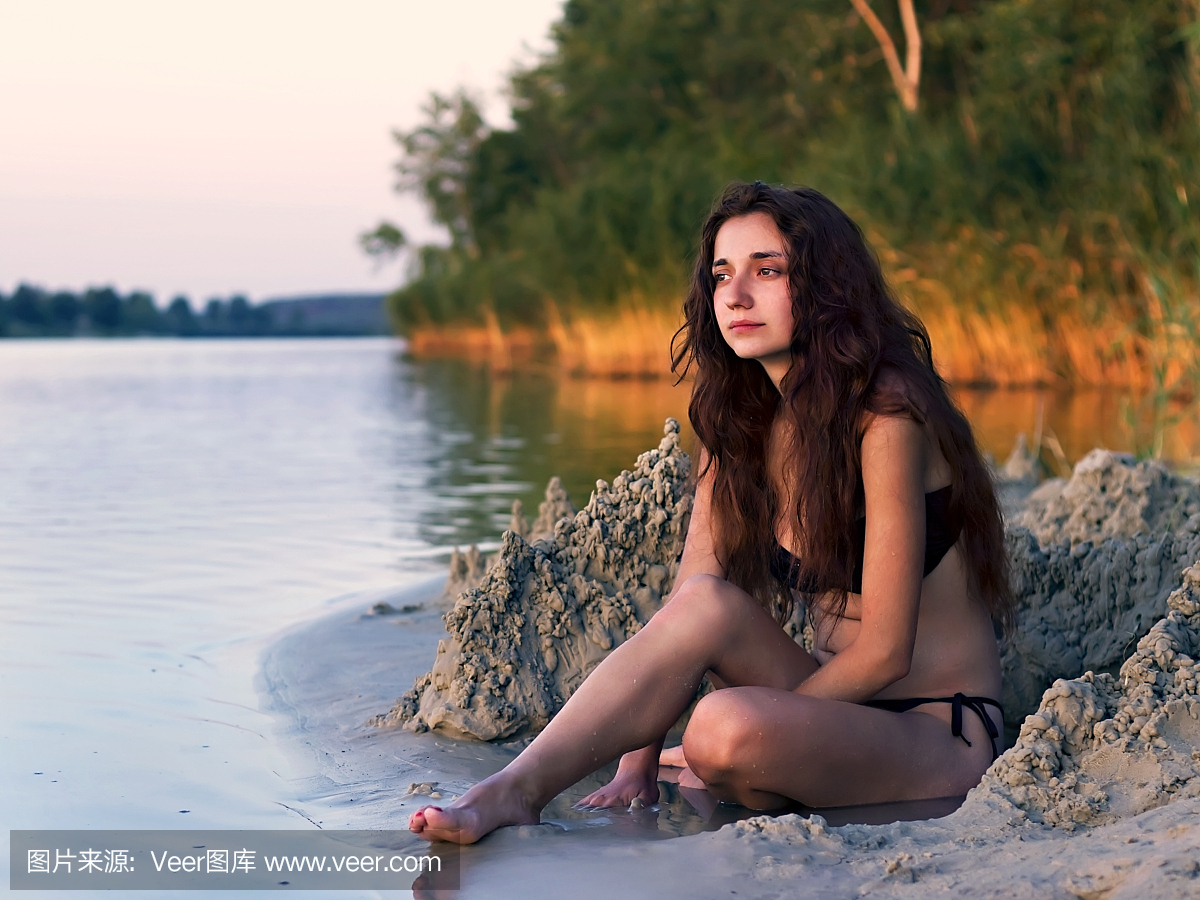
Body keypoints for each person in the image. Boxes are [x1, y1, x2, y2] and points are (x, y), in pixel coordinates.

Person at [409, 181, 1014, 844]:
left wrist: (749, 725)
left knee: (719, 727)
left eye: (768, 270)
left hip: (932, 732)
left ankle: (741, 755)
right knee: (706, 605)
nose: (736, 294)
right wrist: (638, 759)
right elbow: (688, 608)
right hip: (825, 704)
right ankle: (513, 791)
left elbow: (885, 654)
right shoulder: (740, 423)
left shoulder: (886, 413)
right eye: (722, 273)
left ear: (826, 286)